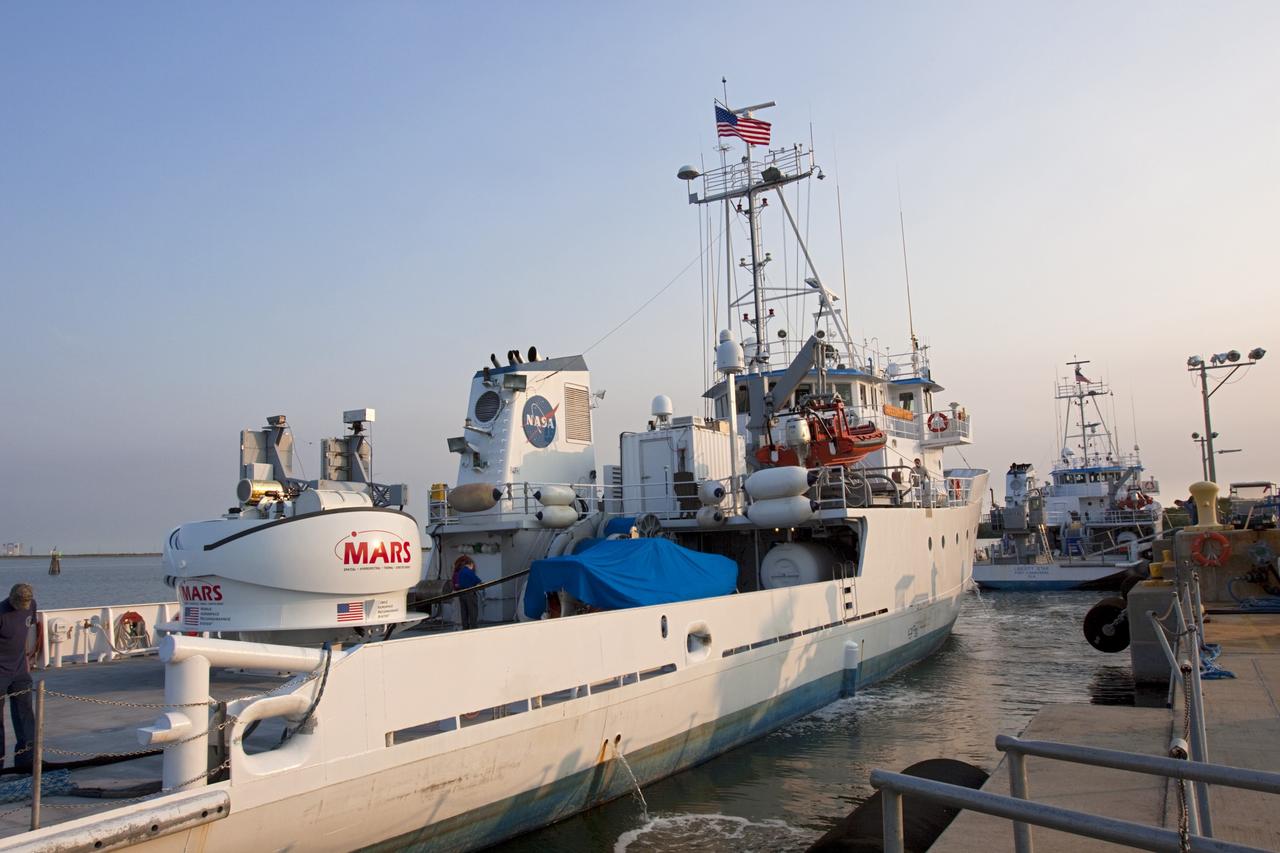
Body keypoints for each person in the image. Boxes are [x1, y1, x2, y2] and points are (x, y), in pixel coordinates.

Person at [0, 584, 36, 770]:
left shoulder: (31, 606)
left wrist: (27, 659)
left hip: (20, 670)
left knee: (25, 715)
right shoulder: (2, 613)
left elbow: (26, 632)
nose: (22, 607)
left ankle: (26, 759)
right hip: (1, 672)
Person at [451, 556, 481, 630]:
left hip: (461, 594)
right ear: (470, 564)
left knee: (464, 612)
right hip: (470, 593)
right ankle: (474, 628)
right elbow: (477, 580)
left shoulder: (460, 572)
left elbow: (457, 584)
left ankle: (465, 628)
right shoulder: (468, 571)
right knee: (473, 612)